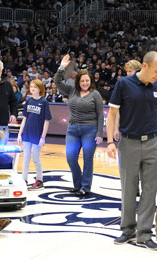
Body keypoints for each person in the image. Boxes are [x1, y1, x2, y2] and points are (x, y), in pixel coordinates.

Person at [106, 51, 157, 250]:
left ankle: (144, 234)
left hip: (154, 143)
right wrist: (110, 141)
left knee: (150, 190)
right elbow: (112, 114)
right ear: (144, 66)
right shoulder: (124, 84)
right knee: (128, 188)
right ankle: (128, 230)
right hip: (128, 143)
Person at [55, 54, 104, 196]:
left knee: (88, 160)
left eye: (87, 81)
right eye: (82, 81)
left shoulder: (95, 95)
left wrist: (100, 133)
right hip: (72, 130)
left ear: (91, 81)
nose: (85, 83)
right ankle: (77, 185)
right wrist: (62, 67)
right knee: (71, 157)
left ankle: (85, 187)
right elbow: (57, 81)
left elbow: (100, 114)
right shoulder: (71, 91)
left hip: (90, 130)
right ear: (78, 81)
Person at [17, 79, 51, 190]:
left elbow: (46, 120)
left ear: (40, 89)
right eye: (31, 87)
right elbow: (24, 118)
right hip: (27, 134)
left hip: (37, 135)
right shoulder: (29, 101)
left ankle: (39, 180)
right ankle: (24, 180)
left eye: (35, 87)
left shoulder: (44, 102)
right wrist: (19, 134)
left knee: (36, 158)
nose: (32, 89)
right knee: (26, 158)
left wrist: (43, 136)